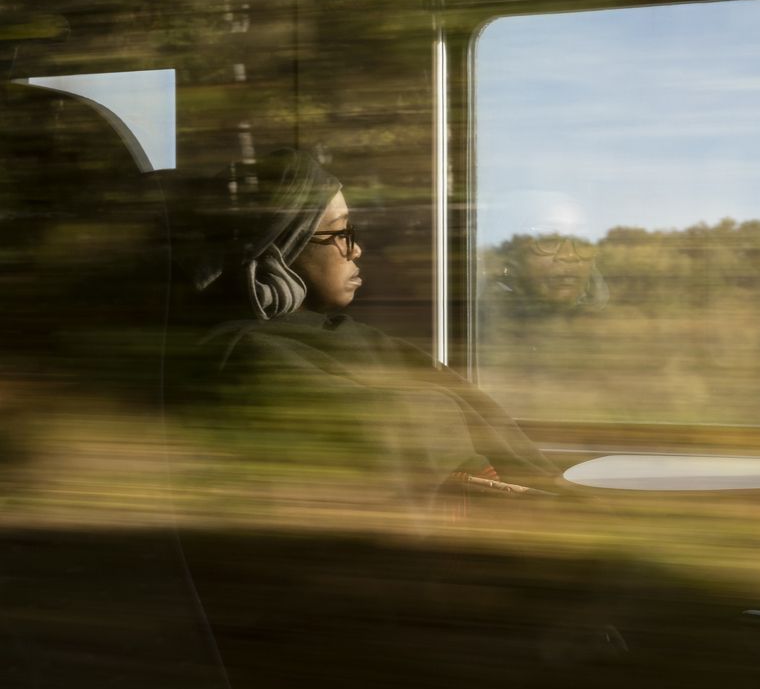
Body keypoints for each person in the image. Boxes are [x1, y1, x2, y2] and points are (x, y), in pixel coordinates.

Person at [175, 149, 557, 508]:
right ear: (280, 251)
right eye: (340, 234)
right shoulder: (245, 354)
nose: (355, 250)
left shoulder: (346, 336)